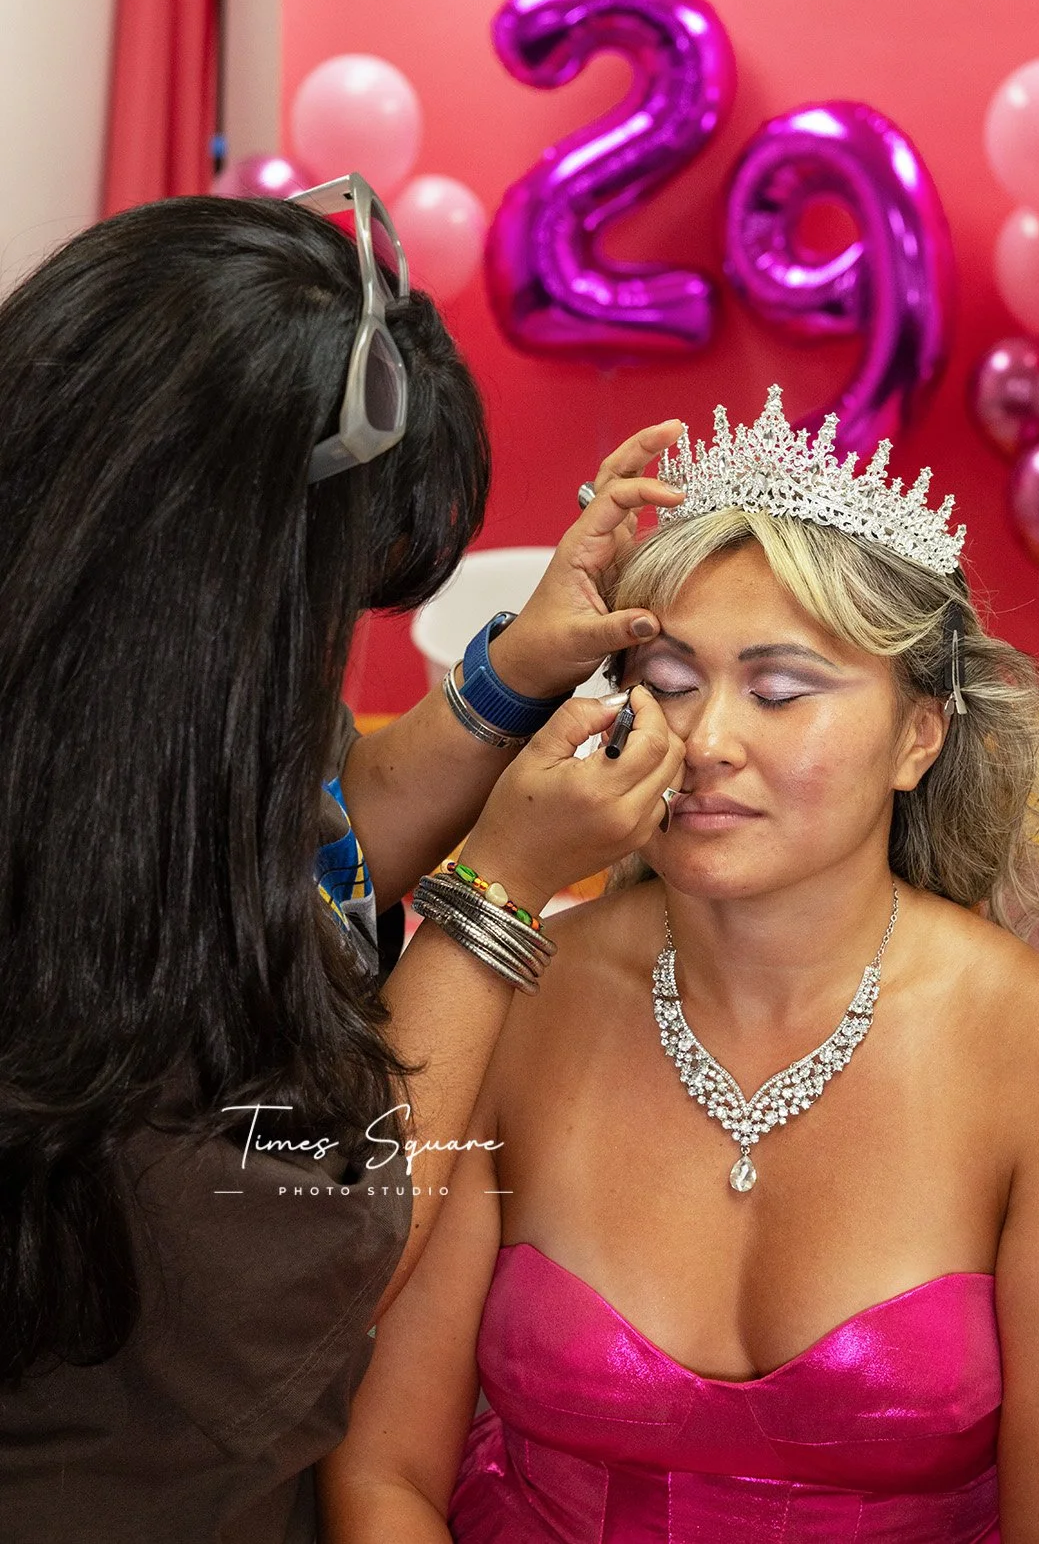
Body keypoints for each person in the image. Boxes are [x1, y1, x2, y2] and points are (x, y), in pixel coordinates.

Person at [320, 388, 1039, 1543]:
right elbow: (378, 1473)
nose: (710, 738)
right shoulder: (513, 990)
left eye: (781, 689)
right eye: (672, 682)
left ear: (918, 735)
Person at [0, 181, 686, 1544]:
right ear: (212, 587)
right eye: (329, 594)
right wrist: (493, 894)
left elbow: (280, 858)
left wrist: (503, 681)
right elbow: (324, 1216)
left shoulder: (121, 703)